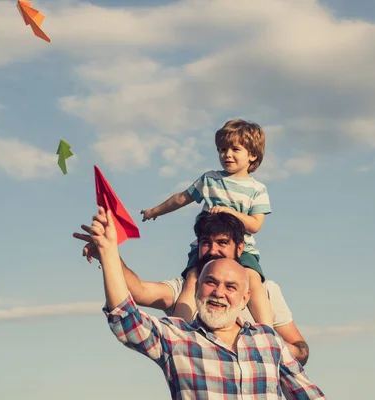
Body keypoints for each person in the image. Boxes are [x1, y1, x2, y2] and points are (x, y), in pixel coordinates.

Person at [88, 206, 326, 400]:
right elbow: (128, 315)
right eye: (211, 283)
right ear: (199, 288)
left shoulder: (268, 336)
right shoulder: (178, 335)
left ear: (246, 297)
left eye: (230, 286)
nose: (219, 293)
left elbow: (307, 390)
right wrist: (109, 254)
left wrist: (272, 353)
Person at [140, 119, 272, 326]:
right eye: (222, 149)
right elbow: (182, 198)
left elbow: (255, 224)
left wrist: (231, 212)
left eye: (235, 149)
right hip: (207, 247)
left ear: (252, 155)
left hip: (242, 249)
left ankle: (267, 331)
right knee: (192, 280)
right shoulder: (209, 179)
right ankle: (178, 330)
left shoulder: (257, 189)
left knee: (253, 280)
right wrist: (155, 211)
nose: (227, 154)